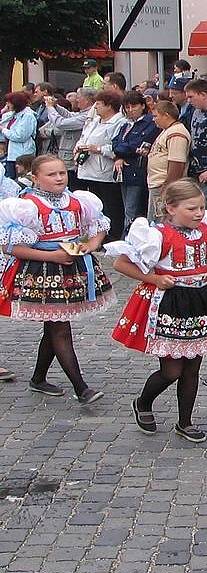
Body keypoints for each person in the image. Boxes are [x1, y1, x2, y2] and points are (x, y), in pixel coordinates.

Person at [107, 178, 207, 443]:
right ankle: (144, 401)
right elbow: (121, 264)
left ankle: (185, 421)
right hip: (170, 304)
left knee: (193, 366)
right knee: (172, 369)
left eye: (201, 208)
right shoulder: (157, 235)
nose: (199, 214)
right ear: (171, 208)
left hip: (200, 302)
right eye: (192, 208)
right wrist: (155, 279)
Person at [0, 154, 114, 403]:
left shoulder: (77, 201)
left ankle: (39, 379)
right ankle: (81, 387)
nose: (59, 178)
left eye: (62, 172)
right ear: (36, 178)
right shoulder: (27, 206)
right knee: (60, 326)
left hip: (72, 269)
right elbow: (10, 247)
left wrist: (88, 245)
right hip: (43, 272)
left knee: (54, 325)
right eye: (52, 174)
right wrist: (52, 257)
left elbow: (99, 226)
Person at [75, 90, 127, 241]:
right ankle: (96, 235)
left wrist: (97, 149)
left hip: (104, 171)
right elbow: (84, 136)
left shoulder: (119, 122)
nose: (95, 107)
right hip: (88, 169)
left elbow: (117, 147)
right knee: (94, 206)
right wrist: (79, 146)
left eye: (98, 104)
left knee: (109, 206)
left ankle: (112, 236)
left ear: (109, 106)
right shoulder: (95, 121)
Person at [112, 91, 159, 232]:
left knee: (132, 209)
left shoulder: (150, 123)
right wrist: (118, 155)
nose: (130, 110)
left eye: (134, 106)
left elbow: (135, 145)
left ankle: (128, 238)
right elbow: (115, 142)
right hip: (124, 171)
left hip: (138, 171)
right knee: (126, 207)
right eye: (127, 107)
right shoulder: (127, 124)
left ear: (143, 106)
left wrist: (121, 151)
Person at [44, 87, 96, 192]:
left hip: (73, 162)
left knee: (75, 190)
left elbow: (61, 123)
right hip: (68, 159)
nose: (76, 100)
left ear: (87, 100)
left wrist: (50, 108)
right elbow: (69, 115)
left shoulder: (88, 116)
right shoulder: (82, 113)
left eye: (78, 97)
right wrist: (56, 106)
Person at [146, 101, 191, 219]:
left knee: (160, 221)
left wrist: (168, 188)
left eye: (156, 116)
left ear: (166, 115)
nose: (153, 119)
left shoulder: (177, 133)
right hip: (157, 184)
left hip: (163, 185)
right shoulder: (167, 131)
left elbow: (177, 163)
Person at [1, 92, 37, 180]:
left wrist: (3, 130)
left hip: (22, 154)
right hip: (11, 154)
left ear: (16, 103)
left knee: (21, 179)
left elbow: (20, 136)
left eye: (9, 102)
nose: (7, 105)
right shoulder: (14, 115)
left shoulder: (28, 116)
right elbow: (3, 119)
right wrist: (4, 110)